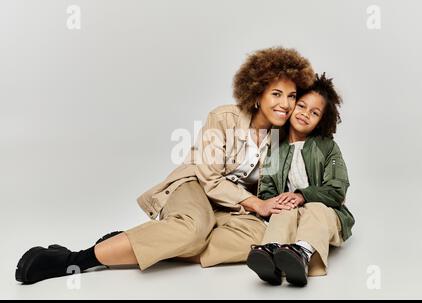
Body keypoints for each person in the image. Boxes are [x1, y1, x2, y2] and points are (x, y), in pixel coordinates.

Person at [15, 47, 315, 284]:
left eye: (291, 96)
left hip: (231, 208)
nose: (285, 104)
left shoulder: (281, 140)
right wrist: (256, 204)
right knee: (194, 230)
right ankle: (75, 259)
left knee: (261, 241)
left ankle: (140, 243)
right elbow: (209, 179)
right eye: (276, 94)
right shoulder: (224, 117)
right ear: (257, 93)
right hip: (195, 186)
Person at [246, 73, 355, 287]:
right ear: (293, 105)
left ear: (321, 120)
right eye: (302, 106)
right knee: (282, 209)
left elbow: (336, 189)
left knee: (315, 208)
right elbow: (267, 189)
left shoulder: (327, 147)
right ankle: (271, 254)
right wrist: (277, 202)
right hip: (290, 213)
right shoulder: (275, 147)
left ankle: (302, 253)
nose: (305, 114)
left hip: (324, 213)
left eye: (314, 113)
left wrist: (302, 196)